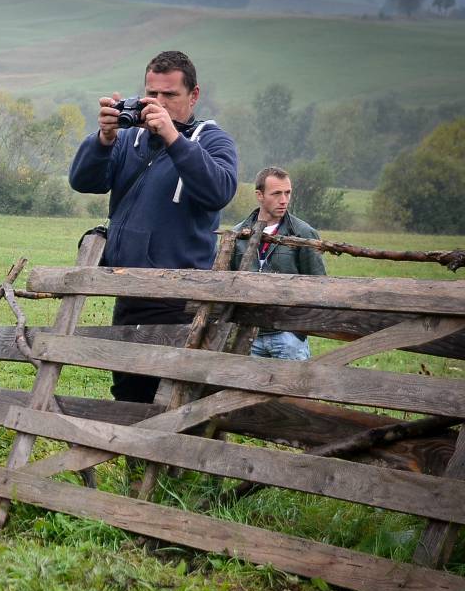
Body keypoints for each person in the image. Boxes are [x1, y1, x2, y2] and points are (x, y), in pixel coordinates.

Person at [69, 50, 239, 403]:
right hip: (128, 291)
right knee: (129, 393)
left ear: (193, 96)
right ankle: (134, 459)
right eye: (152, 94)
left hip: (180, 299)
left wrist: (173, 138)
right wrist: (103, 139)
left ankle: (169, 459)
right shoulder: (129, 139)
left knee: (174, 397)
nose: (158, 104)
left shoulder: (211, 140)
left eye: (170, 95)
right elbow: (84, 180)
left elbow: (219, 190)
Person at [231, 166, 327, 361]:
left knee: (293, 390)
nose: (284, 200)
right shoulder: (238, 234)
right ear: (259, 195)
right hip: (247, 336)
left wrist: (297, 331)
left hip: (288, 337)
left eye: (288, 193)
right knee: (244, 391)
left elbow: (319, 285)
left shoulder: (303, 234)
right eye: (276, 193)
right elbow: (225, 284)